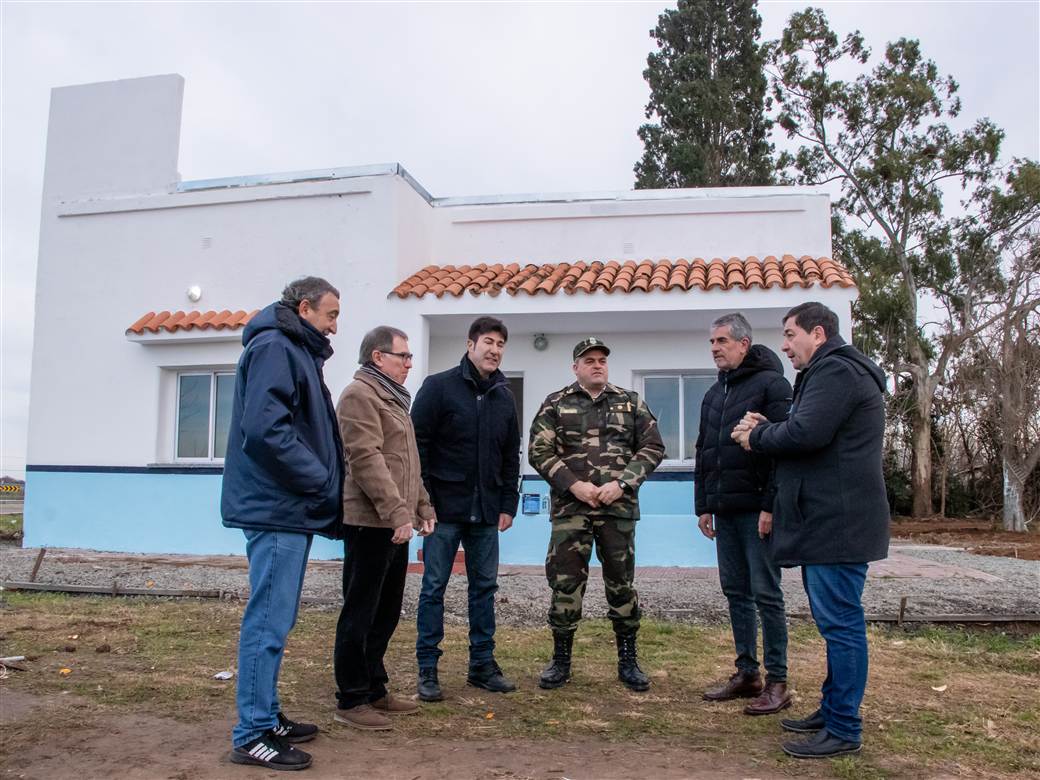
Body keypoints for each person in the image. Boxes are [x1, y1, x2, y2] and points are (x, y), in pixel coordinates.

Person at [732, 302, 889, 759]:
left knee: (841, 626)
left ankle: (843, 727)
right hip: (830, 520)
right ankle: (832, 709)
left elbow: (806, 436)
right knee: (835, 624)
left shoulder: (836, 372)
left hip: (837, 523)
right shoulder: (833, 372)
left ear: (817, 334)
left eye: (789, 334)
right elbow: (810, 430)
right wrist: (773, 426)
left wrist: (756, 437)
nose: (783, 345)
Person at [222, 276, 344, 771]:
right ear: (305, 307)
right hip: (277, 507)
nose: (337, 324)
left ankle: (266, 716)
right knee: (268, 621)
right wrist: (319, 479)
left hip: (285, 507)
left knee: (277, 618)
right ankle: (251, 733)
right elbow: (266, 431)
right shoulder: (276, 346)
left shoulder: (293, 349)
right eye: (332, 314)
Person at [529, 337, 665, 692]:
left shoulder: (630, 403)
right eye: (589, 360)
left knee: (621, 585)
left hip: (617, 509)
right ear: (576, 367)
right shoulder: (555, 404)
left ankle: (628, 660)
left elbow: (653, 446)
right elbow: (538, 451)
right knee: (565, 585)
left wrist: (622, 484)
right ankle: (560, 661)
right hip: (571, 510)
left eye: (602, 360)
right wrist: (574, 486)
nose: (597, 365)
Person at [332, 326, 437, 731]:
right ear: (378, 357)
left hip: (395, 522)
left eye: (410, 357)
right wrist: (396, 512)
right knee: (360, 611)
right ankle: (351, 697)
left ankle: (375, 688)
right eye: (403, 356)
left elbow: (408, 465)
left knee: (386, 611)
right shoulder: (360, 396)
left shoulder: (394, 400)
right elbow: (365, 459)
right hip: (370, 522)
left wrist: (422, 506)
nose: (410, 363)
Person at [411, 317, 521, 701]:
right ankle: (428, 669)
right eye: (488, 342)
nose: (494, 350)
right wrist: (421, 502)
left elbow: (510, 455)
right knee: (434, 588)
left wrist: (509, 502)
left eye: (501, 344)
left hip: (487, 511)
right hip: (442, 510)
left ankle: (482, 666)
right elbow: (417, 447)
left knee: (484, 588)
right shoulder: (438, 387)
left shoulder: (504, 396)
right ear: (470, 344)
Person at [696, 313, 794, 715]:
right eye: (712, 342)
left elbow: (785, 451)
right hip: (725, 509)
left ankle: (778, 681)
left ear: (744, 343)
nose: (715, 348)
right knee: (735, 592)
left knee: (766, 594)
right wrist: (703, 505)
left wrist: (771, 504)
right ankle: (747, 673)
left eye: (721, 341)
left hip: (759, 511)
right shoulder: (712, 394)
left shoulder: (773, 385)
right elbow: (705, 451)